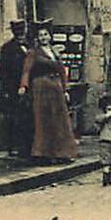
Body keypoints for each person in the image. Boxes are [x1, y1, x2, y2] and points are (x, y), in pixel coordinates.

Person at [19, 25, 79, 162]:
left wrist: (66, 89)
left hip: (56, 87)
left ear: (50, 36)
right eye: (41, 35)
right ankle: (44, 153)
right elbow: (26, 70)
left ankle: (63, 153)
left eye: (45, 34)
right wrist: (23, 85)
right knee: (44, 120)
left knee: (60, 119)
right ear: (37, 38)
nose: (43, 37)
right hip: (41, 87)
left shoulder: (55, 52)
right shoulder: (33, 53)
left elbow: (62, 71)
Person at [0, 21, 31, 158]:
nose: (21, 34)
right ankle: (14, 146)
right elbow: (3, 71)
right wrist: (6, 90)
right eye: (18, 31)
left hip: (29, 87)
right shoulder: (8, 48)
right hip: (13, 88)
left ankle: (27, 146)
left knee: (28, 118)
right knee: (14, 119)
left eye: (22, 31)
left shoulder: (31, 46)